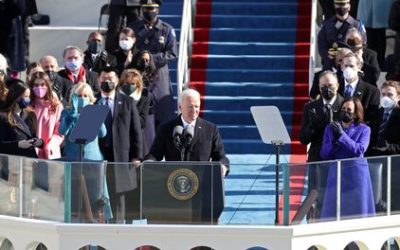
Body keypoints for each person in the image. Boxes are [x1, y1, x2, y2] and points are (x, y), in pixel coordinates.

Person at [58, 82, 112, 223]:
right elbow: (62, 131)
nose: (82, 98)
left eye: (85, 96)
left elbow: (103, 133)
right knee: (76, 200)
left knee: (95, 199)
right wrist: (73, 115)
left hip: (93, 161)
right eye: (79, 96)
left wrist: (94, 115)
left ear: (90, 98)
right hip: (73, 160)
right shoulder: (67, 112)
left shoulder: (93, 111)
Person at [145, 88, 230, 176]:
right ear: (180, 107)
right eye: (190, 107)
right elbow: (154, 154)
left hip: (202, 181)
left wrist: (223, 167)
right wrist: (148, 162)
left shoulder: (210, 129)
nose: (194, 111)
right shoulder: (166, 129)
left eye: (196, 106)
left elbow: (220, 156)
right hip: (174, 181)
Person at [96, 67, 142, 223]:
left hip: (121, 157)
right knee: (100, 198)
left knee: (120, 199)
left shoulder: (127, 102)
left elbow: (136, 130)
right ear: (98, 81)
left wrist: (137, 155)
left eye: (110, 78)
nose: (107, 82)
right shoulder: (92, 101)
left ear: (117, 81)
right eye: (103, 78)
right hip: (99, 156)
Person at [320, 97, 375, 220]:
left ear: (356, 114)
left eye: (349, 110)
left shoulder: (364, 129)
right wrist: (333, 142)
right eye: (343, 108)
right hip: (337, 173)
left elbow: (359, 150)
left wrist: (342, 136)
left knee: (358, 212)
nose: (345, 111)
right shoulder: (331, 128)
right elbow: (324, 154)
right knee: (333, 211)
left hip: (356, 175)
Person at [299, 71, 344, 217]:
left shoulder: (345, 105)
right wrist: (312, 126)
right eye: (323, 85)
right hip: (316, 161)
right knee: (315, 199)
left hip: (338, 162)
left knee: (338, 199)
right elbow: (303, 139)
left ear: (337, 85)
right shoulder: (311, 107)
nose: (327, 88)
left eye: (330, 85)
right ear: (318, 87)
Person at [129, 0, 177, 129]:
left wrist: (151, 59)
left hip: (159, 74)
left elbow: (172, 53)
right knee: (139, 109)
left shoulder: (166, 29)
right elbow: (129, 50)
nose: (149, 12)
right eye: (146, 9)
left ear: (158, 10)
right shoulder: (133, 28)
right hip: (139, 73)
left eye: (152, 9)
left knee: (163, 112)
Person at [366, 81, 400, 212]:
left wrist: (388, 148)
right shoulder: (374, 114)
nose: (386, 97)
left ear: (398, 97)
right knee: (376, 202)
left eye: (390, 94)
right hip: (374, 164)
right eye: (383, 94)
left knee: (394, 203)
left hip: (395, 167)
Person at [317, 0, 367, 68]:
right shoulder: (327, 25)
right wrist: (335, 56)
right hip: (331, 64)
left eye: (344, 4)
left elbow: (362, 44)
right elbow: (322, 46)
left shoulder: (357, 25)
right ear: (334, 6)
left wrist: (348, 55)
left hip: (351, 64)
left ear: (349, 7)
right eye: (339, 5)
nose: (341, 7)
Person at [28, 72, 64, 160]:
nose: (39, 88)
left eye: (42, 84)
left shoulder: (56, 106)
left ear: (48, 86)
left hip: (51, 153)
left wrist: (51, 146)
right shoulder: (28, 105)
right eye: (36, 85)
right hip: (32, 154)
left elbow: (59, 131)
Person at [0, 78, 39, 158]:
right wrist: (18, 144)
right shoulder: (3, 117)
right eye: (25, 96)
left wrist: (39, 142)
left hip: (30, 159)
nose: (28, 99)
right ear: (15, 97)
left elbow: (33, 136)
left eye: (29, 96)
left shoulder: (31, 115)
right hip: (12, 161)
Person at [338, 51, 379, 124]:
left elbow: (371, 118)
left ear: (359, 67)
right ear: (341, 67)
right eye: (346, 66)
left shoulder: (372, 91)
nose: (348, 69)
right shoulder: (335, 87)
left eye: (351, 66)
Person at [119, 68, 151, 156]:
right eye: (127, 83)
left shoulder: (144, 97)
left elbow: (143, 122)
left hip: (137, 140)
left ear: (138, 84)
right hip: (120, 140)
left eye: (133, 84)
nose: (129, 86)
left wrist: (131, 104)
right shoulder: (116, 97)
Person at [357, 0, 392, 69]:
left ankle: (379, 62)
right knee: (369, 36)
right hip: (368, 5)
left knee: (379, 34)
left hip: (380, 5)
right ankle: (370, 62)